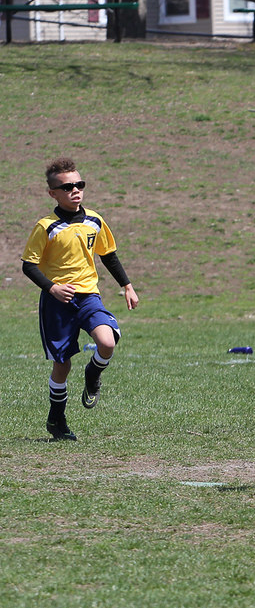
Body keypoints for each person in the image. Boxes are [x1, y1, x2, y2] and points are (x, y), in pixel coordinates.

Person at [21, 157, 139, 442]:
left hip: (89, 296)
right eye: (68, 186)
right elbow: (28, 264)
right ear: (53, 193)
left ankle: (93, 374)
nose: (76, 190)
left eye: (79, 184)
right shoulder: (46, 226)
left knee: (107, 341)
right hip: (57, 303)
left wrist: (127, 285)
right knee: (62, 365)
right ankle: (57, 419)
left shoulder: (94, 220)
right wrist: (52, 288)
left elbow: (107, 254)